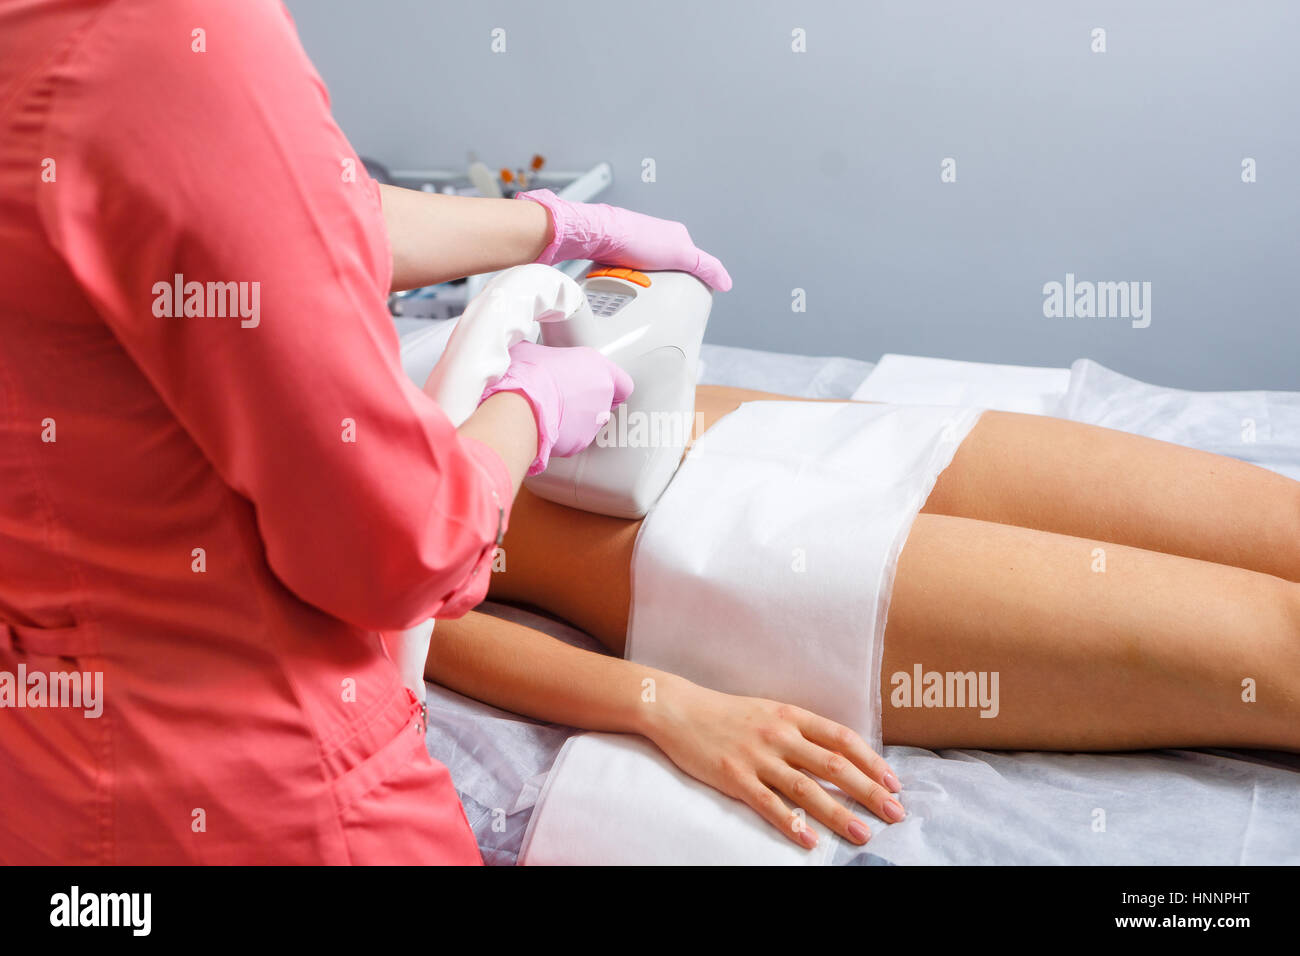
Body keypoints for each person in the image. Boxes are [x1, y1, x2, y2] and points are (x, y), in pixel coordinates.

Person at [0, 0, 724, 863]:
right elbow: (398, 543)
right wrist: (525, 413)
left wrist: (552, 227)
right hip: (263, 797)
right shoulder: (168, 33)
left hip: (59, 779)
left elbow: (283, 211)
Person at [427, 385, 1300, 851]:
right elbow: (395, 619)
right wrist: (664, 703)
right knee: (1281, 652)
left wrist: (563, 229)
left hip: (764, 423)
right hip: (717, 548)